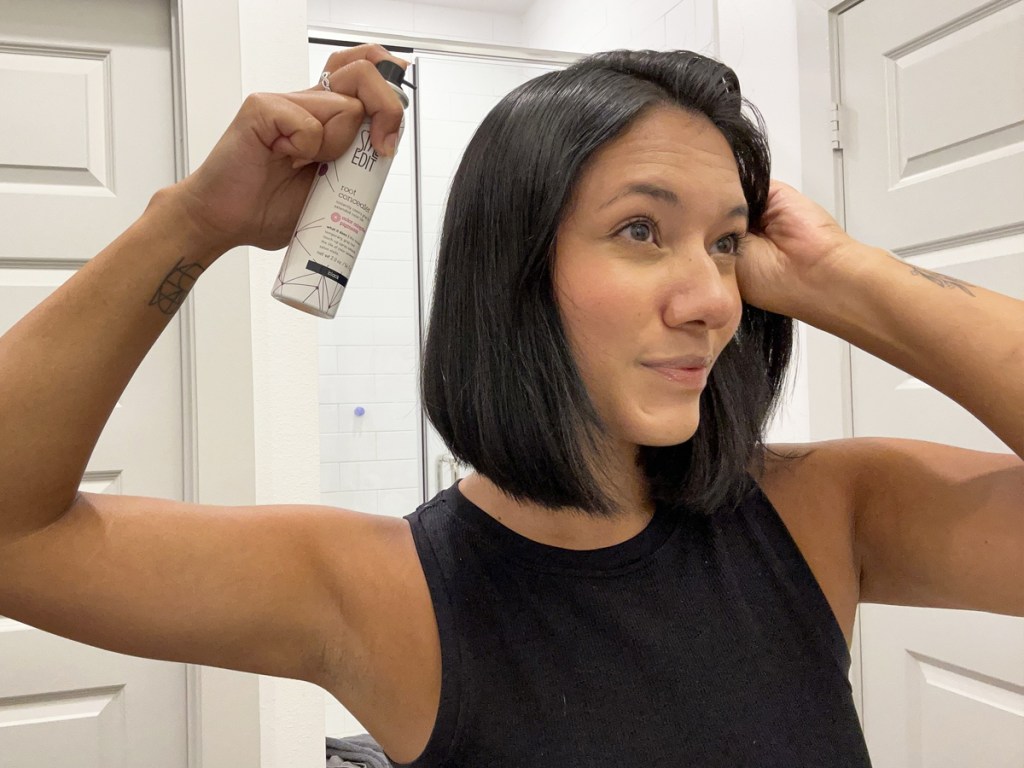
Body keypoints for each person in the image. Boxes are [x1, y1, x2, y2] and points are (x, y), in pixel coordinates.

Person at [0, 43, 1020, 767]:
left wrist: (845, 275)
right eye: (638, 231)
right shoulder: (376, 591)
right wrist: (190, 223)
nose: (712, 298)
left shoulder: (823, 513)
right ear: (511, 271)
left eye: (724, 242)